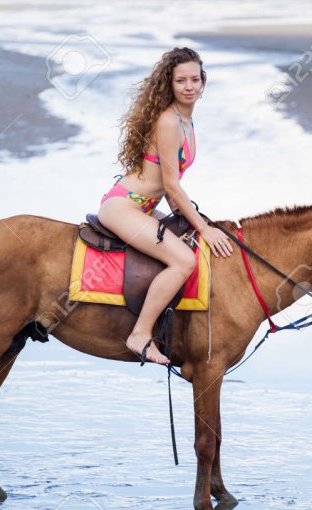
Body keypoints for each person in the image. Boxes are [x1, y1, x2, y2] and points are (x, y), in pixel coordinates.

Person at [98, 47, 234, 366]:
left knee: (191, 243)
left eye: (195, 79)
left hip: (143, 207)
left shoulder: (187, 120)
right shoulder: (169, 122)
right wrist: (204, 227)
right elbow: (172, 185)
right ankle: (140, 334)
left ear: (203, 82)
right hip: (123, 206)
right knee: (184, 261)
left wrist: (191, 219)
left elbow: (170, 186)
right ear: (170, 84)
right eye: (181, 80)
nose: (189, 86)